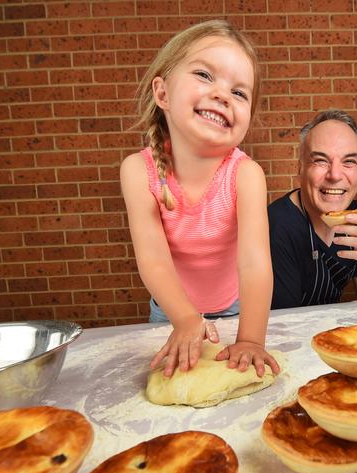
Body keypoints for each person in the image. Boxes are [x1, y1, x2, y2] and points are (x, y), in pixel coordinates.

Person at [121, 20, 279, 378]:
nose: (223, 94)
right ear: (162, 93)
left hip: (236, 306)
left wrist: (251, 339)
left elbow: (254, 264)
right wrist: (185, 318)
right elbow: (154, 259)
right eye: (205, 76)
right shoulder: (138, 171)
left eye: (240, 92)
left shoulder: (246, 175)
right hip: (171, 310)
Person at [268, 109, 357, 309]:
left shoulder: (356, 216)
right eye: (320, 160)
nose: (335, 175)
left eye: (349, 161)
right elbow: (282, 322)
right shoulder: (277, 226)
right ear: (300, 168)